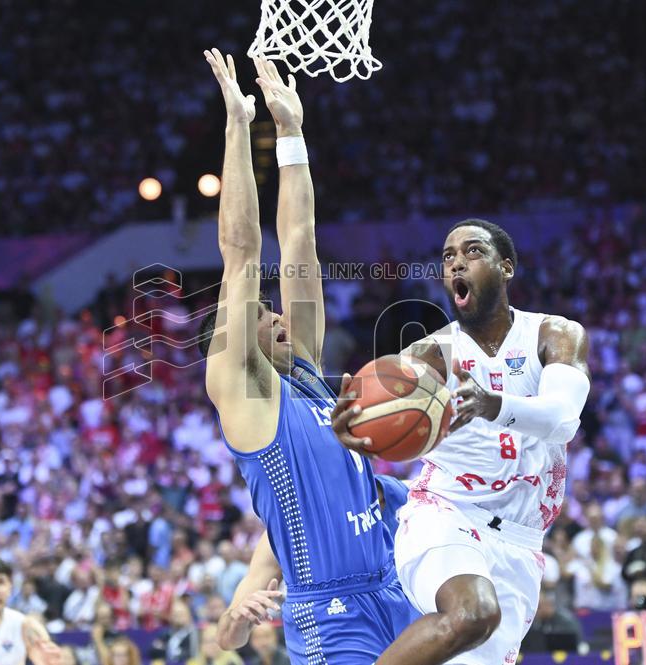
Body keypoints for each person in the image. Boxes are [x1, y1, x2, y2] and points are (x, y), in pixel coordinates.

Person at [198, 50, 417, 664]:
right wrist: (239, 128)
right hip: (330, 614)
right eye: (263, 316)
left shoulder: (309, 377)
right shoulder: (244, 392)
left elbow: (300, 242)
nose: (276, 314)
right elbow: (242, 251)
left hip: (396, 594)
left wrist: (291, 134)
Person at [332, 219, 591, 665]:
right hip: (445, 513)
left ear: (506, 267)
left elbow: (564, 419)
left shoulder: (553, 334)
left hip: (521, 541)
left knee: (476, 622)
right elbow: (377, 409)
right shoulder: (431, 355)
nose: (456, 263)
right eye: (448, 256)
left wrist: (494, 404)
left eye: (472, 252)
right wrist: (357, 432)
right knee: (473, 612)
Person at [216, 475, 410, 650]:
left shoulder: (396, 496)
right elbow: (226, 639)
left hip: (410, 637)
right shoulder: (282, 537)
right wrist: (238, 619)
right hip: (336, 648)